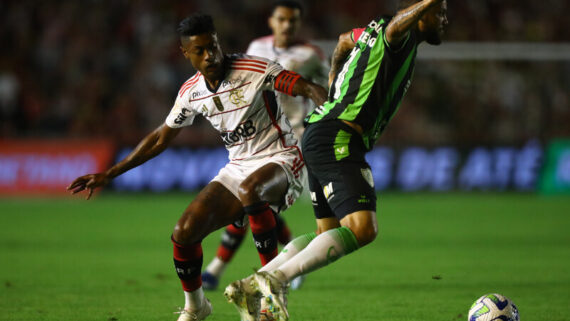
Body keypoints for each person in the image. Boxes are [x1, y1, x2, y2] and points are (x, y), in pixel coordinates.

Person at [67, 13, 327, 321]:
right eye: (200, 50)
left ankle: (272, 294)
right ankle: (196, 306)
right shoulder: (191, 92)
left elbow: (307, 87)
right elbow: (160, 139)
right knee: (184, 232)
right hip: (239, 166)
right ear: (185, 53)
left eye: (213, 46)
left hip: (282, 156)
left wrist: (328, 116)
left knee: (251, 191)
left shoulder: (253, 68)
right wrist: (110, 173)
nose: (210, 55)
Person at [225, 0, 449, 320]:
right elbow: (396, 26)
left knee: (325, 233)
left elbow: (344, 39)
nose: (445, 19)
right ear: (420, 13)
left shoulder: (371, 30)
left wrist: (333, 75)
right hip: (339, 136)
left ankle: (249, 286)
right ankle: (276, 280)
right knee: (362, 228)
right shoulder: (398, 33)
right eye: (440, 12)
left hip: (321, 131)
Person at [201, 0, 328, 292]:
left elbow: (327, 88)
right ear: (271, 21)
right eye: (282, 19)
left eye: (293, 21)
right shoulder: (256, 48)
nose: (287, 25)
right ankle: (287, 266)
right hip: (257, 138)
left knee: (252, 204)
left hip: (291, 140)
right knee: (255, 206)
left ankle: (219, 270)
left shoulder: (311, 54)